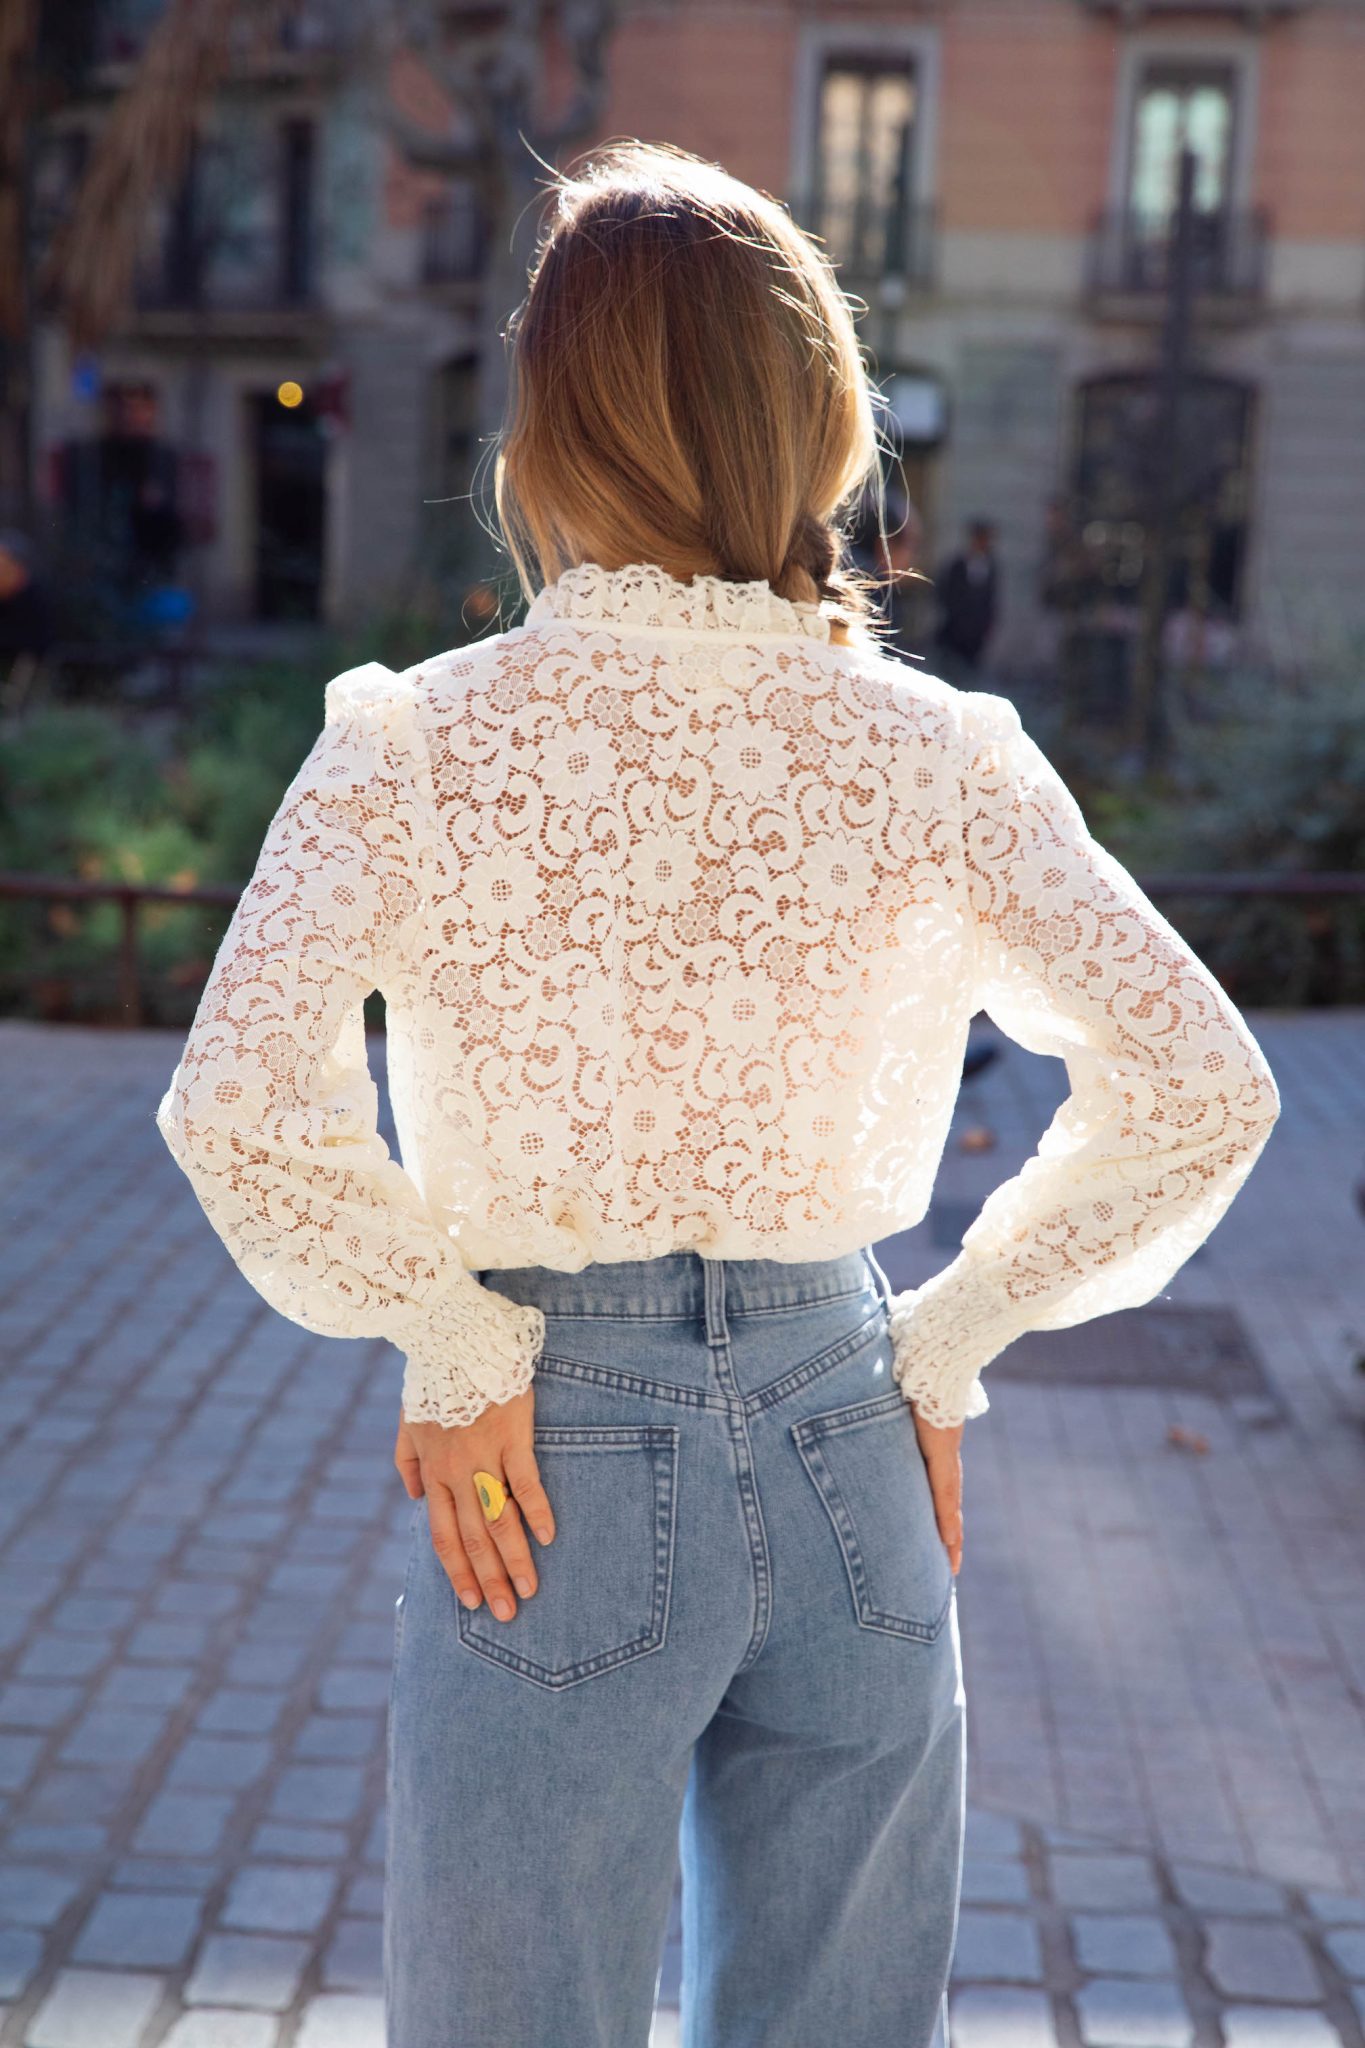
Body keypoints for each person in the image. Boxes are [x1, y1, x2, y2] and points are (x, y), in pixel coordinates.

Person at [154, 142, 1282, 2048]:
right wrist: (948, 1342)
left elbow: (237, 1102)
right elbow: (1205, 1083)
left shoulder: (417, 742)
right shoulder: (941, 752)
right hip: (851, 1426)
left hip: (546, 1450)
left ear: (548, 429)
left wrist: (450, 1334)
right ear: (821, 422)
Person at [934, 515, 1000, 676]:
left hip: (977, 635)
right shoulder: (957, 565)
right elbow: (944, 593)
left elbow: (990, 599)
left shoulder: (991, 566)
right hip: (954, 632)